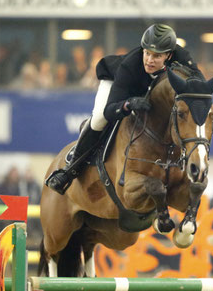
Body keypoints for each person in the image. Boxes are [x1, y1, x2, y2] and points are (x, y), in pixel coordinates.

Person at [46, 23, 203, 195]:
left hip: (148, 90)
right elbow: (110, 110)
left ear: (169, 55)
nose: (149, 60)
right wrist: (128, 105)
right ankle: (71, 169)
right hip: (117, 83)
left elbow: (200, 84)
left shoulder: (181, 57)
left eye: (156, 56)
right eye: (147, 53)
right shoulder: (129, 66)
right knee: (99, 119)